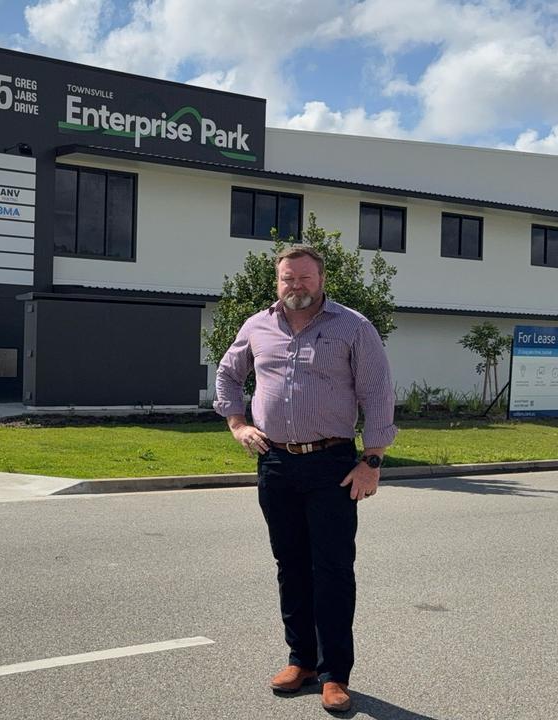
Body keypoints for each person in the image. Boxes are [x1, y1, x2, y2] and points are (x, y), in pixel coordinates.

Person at [213, 245, 397, 713]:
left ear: (321, 279)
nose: (295, 285)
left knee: (332, 570)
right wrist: (237, 424)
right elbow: (227, 376)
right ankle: (302, 661)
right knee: (290, 564)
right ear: (277, 281)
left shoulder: (353, 327)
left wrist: (371, 461)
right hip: (275, 462)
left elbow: (377, 394)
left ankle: (336, 673)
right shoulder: (257, 326)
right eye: (287, 278)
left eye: (304, 278)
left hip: (333, 465)